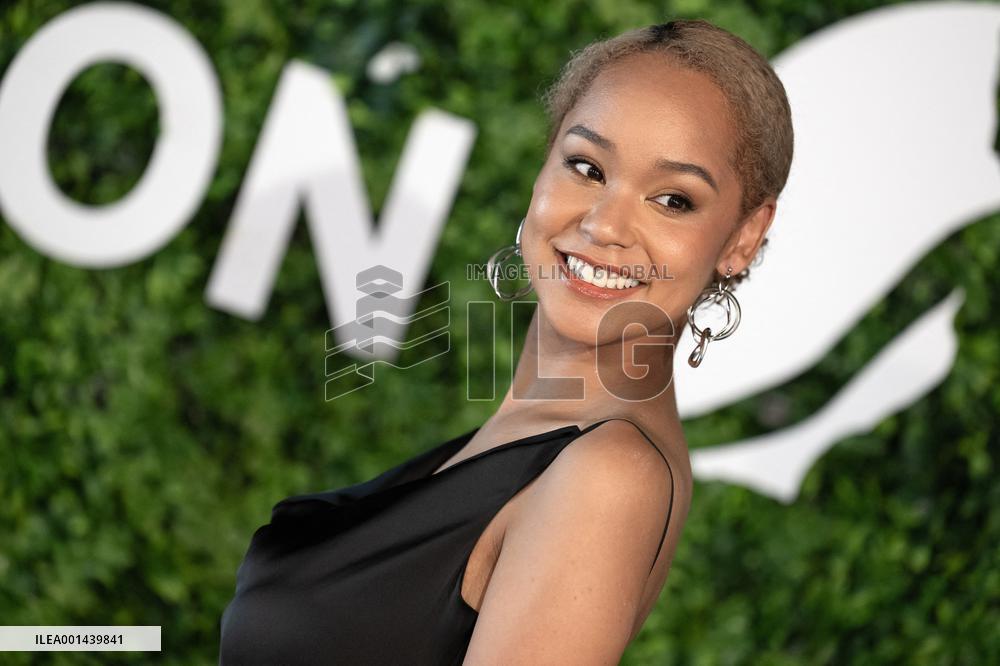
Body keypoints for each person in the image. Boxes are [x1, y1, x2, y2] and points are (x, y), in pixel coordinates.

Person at [219, 17, 793, 665]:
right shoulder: (538, 439)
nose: (605, 225)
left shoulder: (606, 477)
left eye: (672, 200)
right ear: (542, 169)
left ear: (744, 236)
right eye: (586, 166)